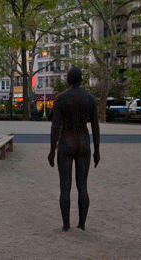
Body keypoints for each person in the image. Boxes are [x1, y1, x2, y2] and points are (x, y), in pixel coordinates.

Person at [48, 66, 100, 232]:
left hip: (66, 142)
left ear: (68, 79)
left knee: (65, 187)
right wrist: (97, 150)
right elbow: (95, 127)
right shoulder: (90, 98)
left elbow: (55, 126)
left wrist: (52, 149)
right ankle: (82, 224)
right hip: (83, 142)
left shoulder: (60, 98)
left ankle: (66, 224)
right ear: (81, 79)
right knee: (82, 186)